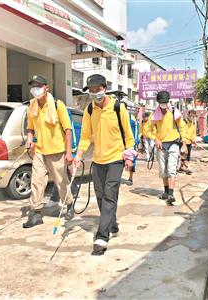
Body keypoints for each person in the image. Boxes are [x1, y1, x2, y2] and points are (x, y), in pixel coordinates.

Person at [74, 74, 135, 255]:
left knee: (109, 195)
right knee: (100, 197)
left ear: (104, 88)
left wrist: (129, 156)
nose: (94, 94)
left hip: (116, 158)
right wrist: (78, 154)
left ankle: (102, 236)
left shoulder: (118, 108)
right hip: (98, 160)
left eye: (97, 90)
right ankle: (112, 224)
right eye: (91, 91)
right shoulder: (89, 110)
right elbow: (85, 136)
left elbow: (128, 135)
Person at [23, 75, 74, 228]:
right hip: (39, 151)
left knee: (61, 182)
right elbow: (30, 127)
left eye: (38, 86)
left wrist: (69, 152)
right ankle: (36, 213)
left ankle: (69, 204)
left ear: (46, 88)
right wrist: (29, 138)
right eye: (33, 86)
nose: (35, 89)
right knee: (37, 182)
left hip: (57, 150)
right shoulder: (31, 106)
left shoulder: (58, 105)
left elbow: (67, 129)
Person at [147, 91, 187, 206]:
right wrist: (155, 139)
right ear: (158, 102)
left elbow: (182, 127)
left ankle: (171, 194)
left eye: (165, 102)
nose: (164, 105)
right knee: (163, 169)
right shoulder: (154, 114)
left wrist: (184, 143)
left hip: (173, 143)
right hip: (160, 145)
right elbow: (147, 130)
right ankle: (165, 191)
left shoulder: (174, 112)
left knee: (171, 168)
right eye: (161, 103)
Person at [122, 102, 139, 186]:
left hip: (131, 143)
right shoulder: (118, 117)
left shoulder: (131, 117)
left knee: (132, 161)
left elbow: (136, 128)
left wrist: (136, 140)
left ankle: (130, 178)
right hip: (121, 143)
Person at [179, 110, 197, 174]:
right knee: (184, 155)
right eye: (191, 115)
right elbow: (183, 132)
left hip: (189, 142)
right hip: (183, 141)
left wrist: (194, 141)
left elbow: (193, 133)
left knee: (187, 156)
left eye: (193, 116)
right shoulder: (184, 122)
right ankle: (187, 168)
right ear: (188, 115)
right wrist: (189, 139)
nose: (192, 117)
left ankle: (181, 168)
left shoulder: (193, 123)